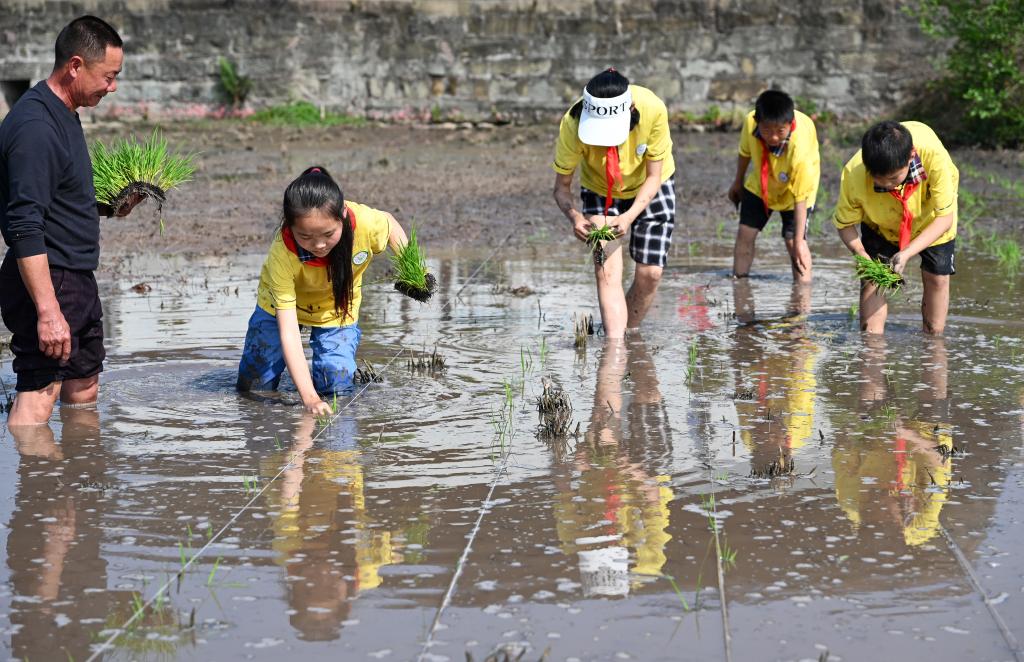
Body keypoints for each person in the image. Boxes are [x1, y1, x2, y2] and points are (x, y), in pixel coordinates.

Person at [0, 16, 141, 427]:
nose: (112, 86)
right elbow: (25, 224)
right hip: (49, 280)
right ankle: (38, 485)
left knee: (83, 386)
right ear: (75, 65)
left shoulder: (63, 111)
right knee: (39, 396)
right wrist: (47, 311)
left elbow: (55, 197)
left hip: (75, 278)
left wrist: (108, 207)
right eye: (109, 76)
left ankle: (78, 478)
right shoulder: (35, 126)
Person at [236, 166, 417, 415]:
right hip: (277, 306)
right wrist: (309, 399)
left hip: (336, 306)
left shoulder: (364, 223)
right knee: (256, 385)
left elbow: (390, 224)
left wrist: (416, 272)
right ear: (290, 226)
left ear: (342, 215)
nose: (319, 245)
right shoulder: (283, 253)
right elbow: (288, 332)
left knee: (336, 385)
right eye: (306, 236)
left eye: (328, 234)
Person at [552, 68, 676, 339]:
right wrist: (575, 217)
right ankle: (615, 348)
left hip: (650, 183)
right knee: (607, 272)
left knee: (651, 273)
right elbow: (561, 188)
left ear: (630, 110)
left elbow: (655, 176)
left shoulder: (653, 109)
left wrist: (629, 216)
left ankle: (628, 332)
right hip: (600, 188)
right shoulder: (573, 124)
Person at [833, 121, 958, 334]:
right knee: (873, 279)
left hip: (930, 221)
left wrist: (907, 253)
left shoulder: (934, 158)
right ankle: (871, 349)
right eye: (878, 179)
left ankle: (933, 343)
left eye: (893, 178)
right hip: (880, 222)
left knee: (937, 278)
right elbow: (844, 225)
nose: (886, 184)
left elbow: (944, 219)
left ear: (911, 157)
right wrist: (863, 256)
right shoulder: (854, 173)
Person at [728, 90, 820, 282]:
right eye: (767, 130)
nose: (774, 137)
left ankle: (802, 296)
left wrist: (799, 240)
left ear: (790, 124)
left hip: (796, 191)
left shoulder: (799, 147)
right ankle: (740, 284)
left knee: (793, 242)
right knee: (745, 233)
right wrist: (738, 181)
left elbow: (800, 197)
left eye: (780, 131)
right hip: (761, 185)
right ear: (757, 121)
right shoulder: (749, 123)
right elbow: (744, 152)